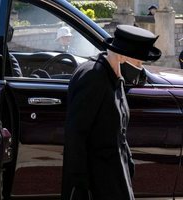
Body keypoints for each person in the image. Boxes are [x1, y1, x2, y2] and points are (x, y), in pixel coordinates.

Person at [61, 24, 161, 200]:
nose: (140, 67)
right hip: (96, 182)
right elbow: (75, 135)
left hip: (115, 175)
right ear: (122, 56)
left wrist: (128, 163)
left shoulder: (116, 76)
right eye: (138, 62)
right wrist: (80, 185)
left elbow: (118, 130)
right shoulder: (92, 76)